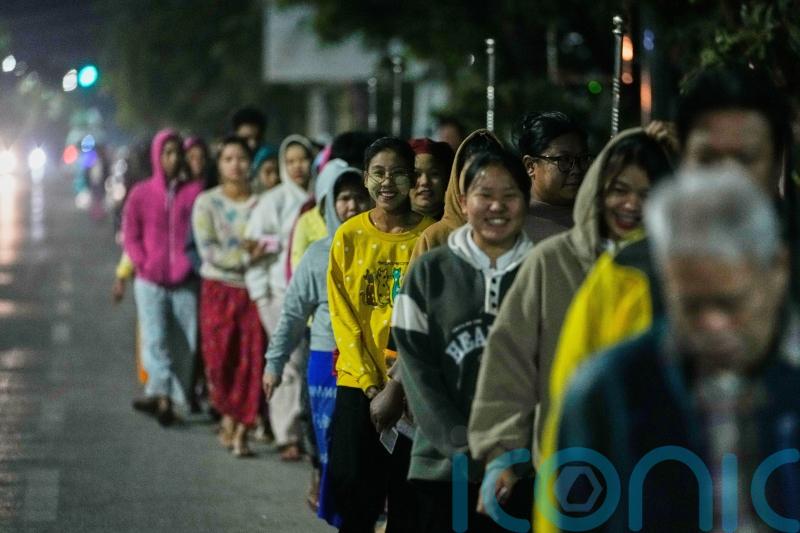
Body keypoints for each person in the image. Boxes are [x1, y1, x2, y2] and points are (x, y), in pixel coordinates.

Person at [541, 67, 796, 479]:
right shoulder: (623, 275)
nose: (725, 179)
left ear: (776, 165)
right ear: (684, 163)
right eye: (709, 159)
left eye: (746, 159)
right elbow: (570, 466)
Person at [548, 169, 798, 531]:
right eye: (692, 306)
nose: (714, 325)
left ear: (778, 269)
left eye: (732, 304)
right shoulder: (606, 393)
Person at [467, 128, 674, 509]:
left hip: (660, 469)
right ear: (598, 190)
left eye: (647, 194)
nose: (631, 204)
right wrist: (500, 453)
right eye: (619, 190)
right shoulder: (552, 261)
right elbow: (509, 359)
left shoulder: (676, 270)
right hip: (567, 466)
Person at [393, 149, 534, 531]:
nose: (496, 206)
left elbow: (555, 373)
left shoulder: (543, 272)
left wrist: (510, 458)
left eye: (510, 195)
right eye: (483, 194)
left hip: (523, 471)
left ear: (527, 199)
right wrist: (467, 448)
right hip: (440, 467)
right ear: (462, 199)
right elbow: (418, 373)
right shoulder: (429, 273)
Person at [327, 137, 434, 532]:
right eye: (378, 172)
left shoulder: (430, 237)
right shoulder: (349, 236)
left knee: (407, 497)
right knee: (354, 491)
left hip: (413, 387)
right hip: (359, 383)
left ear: (413, 179)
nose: (387, 182)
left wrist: (397, 387)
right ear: (365, 178)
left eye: (398, 173)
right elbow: (344, 317)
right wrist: (373, 387)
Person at [263, 166, 372, 525]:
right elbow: (293, 315)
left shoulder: (382, 250)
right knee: (332, 451)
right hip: (327, 361)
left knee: (369, 454)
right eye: (343, 198)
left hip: (375, 364)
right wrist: (274, 363)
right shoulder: (316, 256)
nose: (352, 206)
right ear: (328, 204)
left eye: (359, 197)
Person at [123, 129, 203, 425]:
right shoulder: (141, 193)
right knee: (154, 339)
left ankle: (171, 394)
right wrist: (142, 262)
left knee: (185, 341)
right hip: (150, 279)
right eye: (166, 153)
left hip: (185, 280)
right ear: (157, 156)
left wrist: (191, 265)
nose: (172, 159)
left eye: (176, 153)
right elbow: (131, 234)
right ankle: (164, 398)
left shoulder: (194, 193)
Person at [192, 135, 266, 456]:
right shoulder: (206, 203)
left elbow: (272, 241)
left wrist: (255, 257)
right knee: (220, 360)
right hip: (218, 290)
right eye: (228, 158)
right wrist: (247, 255)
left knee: (251, 361)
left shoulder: (264, 202)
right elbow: (208, 250)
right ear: (219, 165)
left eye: (242, 158)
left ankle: (242, 431)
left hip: (254, 290)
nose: (236, 165)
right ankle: (227, 416)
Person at [245, 133, 315, 461]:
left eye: (303, 159)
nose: (298, 166)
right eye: (291, 161)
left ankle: (304, 430)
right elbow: (253, 253)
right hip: (277, 296)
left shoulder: (320, 200)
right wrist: (260, 295)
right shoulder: (272, 202)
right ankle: (287, 434)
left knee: (305, 364)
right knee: (287, 362)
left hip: (313, 299)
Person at [410, 129, 503, 262]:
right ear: (456, 177)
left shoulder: (512, 236)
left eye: (490, 174)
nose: (479, 183)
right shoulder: (434, 238)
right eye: (471, 174)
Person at [514, 111, 591, 243]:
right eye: (564, 160)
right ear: (530, 166)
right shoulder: (512, 225)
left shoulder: (598, 219)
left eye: (582, 159)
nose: (577, 170)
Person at [408, 138, 454, 221]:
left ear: (447, 178)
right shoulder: (389, 227)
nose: (425, 182)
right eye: (416, 174)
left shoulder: (459, 228)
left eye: (434, 174)